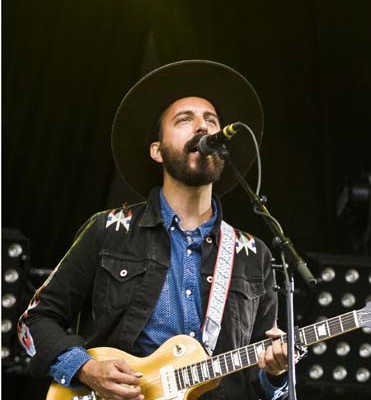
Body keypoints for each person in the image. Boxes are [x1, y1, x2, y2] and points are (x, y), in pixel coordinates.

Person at [18, 60, 290, 400]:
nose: (203, 128)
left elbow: (259, 380)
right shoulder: (109, 230)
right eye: (184, 120)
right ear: (157, 150)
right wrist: (85, 368)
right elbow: (34, 321)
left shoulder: (253, 255)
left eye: (211, 120)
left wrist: (276, 374)